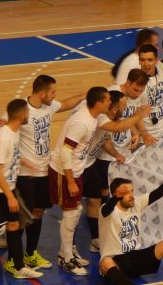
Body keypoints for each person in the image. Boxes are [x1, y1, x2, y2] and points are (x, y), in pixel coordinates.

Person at [0, 74, 85, 263]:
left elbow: (65, 104)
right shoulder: (20, 109)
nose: (55, 96)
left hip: (43, 171)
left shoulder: (48, 106)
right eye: (53, 92)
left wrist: (83, 95)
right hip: (25, 175)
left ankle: (30, 254)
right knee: (22, 218)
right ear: (42, 93)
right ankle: (13, 259)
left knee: (38, 213)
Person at [98, 163, 163, 285]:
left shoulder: (136, 203)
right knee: (106, 262)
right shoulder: (105, 210)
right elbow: (107, 209)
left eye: (132, 191)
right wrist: (116, 198)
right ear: (116, 194)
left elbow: (161, 190)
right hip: (116, 263)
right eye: (125, 193)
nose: (131, 195)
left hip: (136, 259)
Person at [0, 99, 43, 284]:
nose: (29, 116)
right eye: (28, 113)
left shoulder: (14, 132)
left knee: (14, 227)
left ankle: (19, 267)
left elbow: (11, 156)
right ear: (22, 116)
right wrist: (10, 196)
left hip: (6, 189)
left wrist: (25, 163)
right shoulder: (3, 136)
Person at [48, 87, 111, 275]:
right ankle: (66, 259)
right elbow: (66, 153)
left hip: (75, 170)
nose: (110, 103)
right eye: (107, 100)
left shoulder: (93, 117)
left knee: (76, 212)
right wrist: (71, 181)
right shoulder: (82, 123)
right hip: (64, 171)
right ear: (99, 103)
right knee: (71, 214)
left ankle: (66, 253)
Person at [82, 90, 149, 252]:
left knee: (100, 198)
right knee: (92, 202)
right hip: (85, 165)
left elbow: (113, 134)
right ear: (113, 108)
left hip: (94, 162)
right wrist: (141, 115)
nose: (126, 107)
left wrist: (134, 135)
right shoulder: (103, 119)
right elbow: (117, 129)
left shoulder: (112, 117)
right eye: (123, 105)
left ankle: (101, 235)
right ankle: (92, 240)